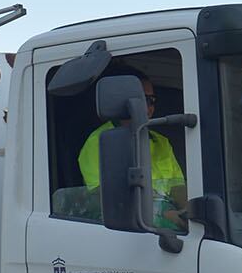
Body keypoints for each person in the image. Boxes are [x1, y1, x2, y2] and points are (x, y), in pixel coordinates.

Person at [76, 71, 187, 230]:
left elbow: (178, 187)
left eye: (152, 100)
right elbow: (106, 195)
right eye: (143, 99)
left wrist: (186, 210)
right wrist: (165, 213)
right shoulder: (99, 141)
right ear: (124, 101)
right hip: (127, 221)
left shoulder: (161, 141)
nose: (149, 107)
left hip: (168, 217)